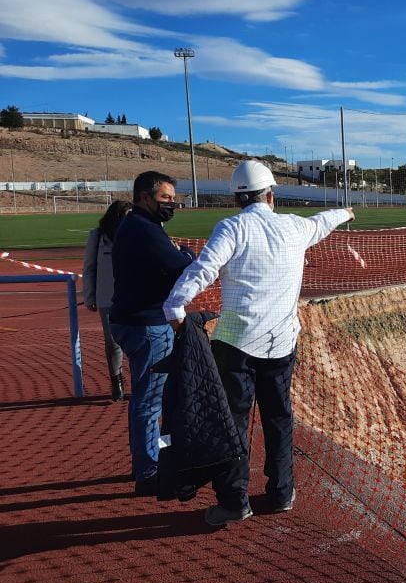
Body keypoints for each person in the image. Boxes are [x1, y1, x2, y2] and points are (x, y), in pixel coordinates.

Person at [164, 160, 353, 526]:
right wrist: (345, 213)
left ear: (238, 198)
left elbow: (205, 268)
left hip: (235, 345)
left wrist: (175, 304)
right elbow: (323, 222)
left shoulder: (232, 227)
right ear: (271, 194)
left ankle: (235, 501)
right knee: (279, 417)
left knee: (233, 422)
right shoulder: (295, 227)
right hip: (282, 344)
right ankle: (282, 491)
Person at [110, 172, 195, 496]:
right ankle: (148, 471)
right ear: (144, 197)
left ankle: (148, 461)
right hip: (145, 325)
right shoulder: (143, 228)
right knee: (150, 400)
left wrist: (178, 254)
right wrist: (187, 252)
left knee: (150, 397)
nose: (171, 204)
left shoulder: (137, 226)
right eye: (165, 199)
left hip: (134, 321)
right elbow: (179, 265)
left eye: (173, 199)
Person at [82, 199, 133, 401]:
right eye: (126, 215)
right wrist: (89, 296)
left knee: (137, 341)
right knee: (112, 342)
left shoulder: (135, 235)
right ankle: (117, 380)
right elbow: (89, 268)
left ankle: (138, 379)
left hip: (133, 297)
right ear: (115, 216)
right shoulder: (98, 236)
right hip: (107, 297)